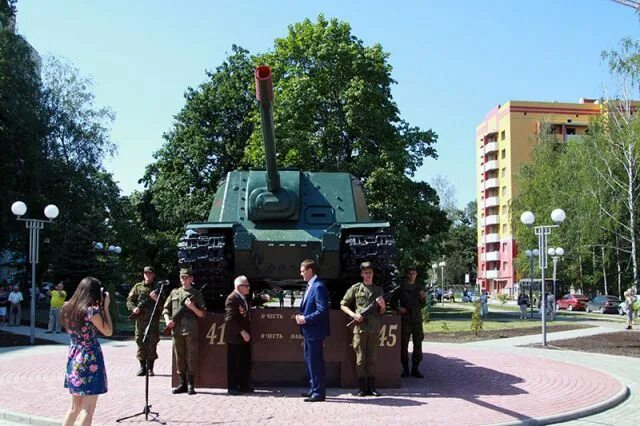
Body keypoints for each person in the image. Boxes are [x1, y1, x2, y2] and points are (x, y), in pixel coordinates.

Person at [61, 276, 112, 426]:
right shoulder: (91, 311)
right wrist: (105, 308)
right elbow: (108, 331)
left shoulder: (66, 307)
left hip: (73, 357)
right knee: (87, 409)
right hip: (90, 359)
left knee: (73, 408)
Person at [341, 261, 386, 397]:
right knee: (360, 359)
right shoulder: (356, 288)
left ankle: (372, 388)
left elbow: (382, 312)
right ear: (361, 274)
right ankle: (362, 388)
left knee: (372, 359)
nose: (368, 275)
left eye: (370, 272)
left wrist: (383, 306)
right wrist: (354, 315)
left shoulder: (378, 290)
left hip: (374, 328)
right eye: (365, 272)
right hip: (360, 329)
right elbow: (343, 304)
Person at [162, 267, 205, 395]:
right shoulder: (174, 293)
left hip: (191, 329)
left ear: (191, 279)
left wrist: (192, 307)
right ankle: (182, 383)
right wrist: (167, 321)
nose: (184, 280)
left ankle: (191, 384)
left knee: (191, 356)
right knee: (179, 357)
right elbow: (166, 309)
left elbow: (202, 314)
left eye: (186, 278)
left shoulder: (196, 294)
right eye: (182, 277)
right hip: (176, 329)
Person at [224, 275, 269, 395]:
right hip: (235, 337)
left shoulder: (242, 297)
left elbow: (250, 303)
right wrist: (242, 332)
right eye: (246, 286)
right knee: (234, 363)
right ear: (239, 287)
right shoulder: (232, 299)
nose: (249, 287)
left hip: (244, 337)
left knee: (244, 362)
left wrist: (262, 299)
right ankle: (233, 387)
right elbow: (230, 320)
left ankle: (243, 385)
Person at [295, 259, 330, 402]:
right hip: (309, 332)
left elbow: (322, 310)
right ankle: (313, 388)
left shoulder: (318, 286)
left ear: (310, 271)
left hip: (314, 331)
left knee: (315, 362)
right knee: (310, 361)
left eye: (303, 271)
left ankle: (318, 392)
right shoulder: (311, 285)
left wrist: (305, 319)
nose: (301, 273)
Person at [127, 266, 164, 377]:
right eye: (146, 273)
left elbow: (165, 304)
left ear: (153, 275)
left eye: (150, 274)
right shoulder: (138, 287)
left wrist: (156, 298)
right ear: (143, 274)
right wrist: (134, 308)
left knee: (152, 343)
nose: (148, 275)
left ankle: (150, 368)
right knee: (140, 342)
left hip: (153, 320)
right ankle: (142, 367)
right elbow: (129, 300)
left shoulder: (158, 287)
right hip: (140, 320)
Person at [392, 266, 426, 378]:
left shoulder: (419, 288)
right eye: (410, 273)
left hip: (416, 319)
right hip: (405, 319)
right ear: (407, 274)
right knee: (403, 344)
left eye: (414, 273)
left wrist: (422, 298)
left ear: (416, 275)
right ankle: (405, 369)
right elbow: (392, 302)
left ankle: (415, 369)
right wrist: (398, 308)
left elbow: (422, 305)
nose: (412, 275)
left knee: (418, 344)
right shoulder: (401, 288)